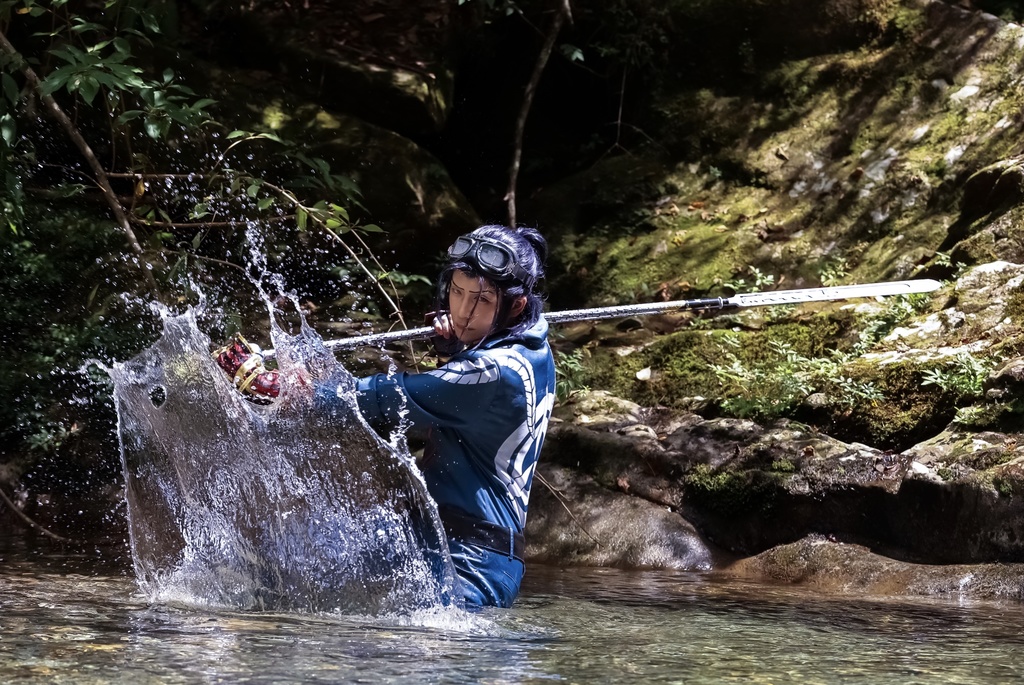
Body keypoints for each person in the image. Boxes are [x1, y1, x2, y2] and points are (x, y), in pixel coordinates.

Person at [216, 225, 556, 608]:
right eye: (457, 293)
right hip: (431, 537)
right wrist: (458, 350)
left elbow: (386, 398)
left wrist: (283, 391)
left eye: (480, 300)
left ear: (516, 306)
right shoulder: (532, 352)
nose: (461, 311)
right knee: (286, 558)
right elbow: (468, 401)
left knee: (395, 658)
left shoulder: (494, 371)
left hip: (471, 564)